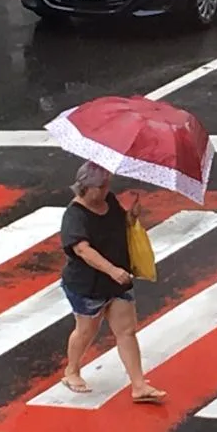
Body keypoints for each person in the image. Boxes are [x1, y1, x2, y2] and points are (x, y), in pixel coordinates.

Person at [58, 161, 166, 403]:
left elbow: (119, 226)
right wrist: (112, 270)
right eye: (102, 186)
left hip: (117, 280)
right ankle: (71, 371)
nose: (107, 190)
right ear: (86, 187)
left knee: (126, 331)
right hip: (88, 284)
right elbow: (83, 250)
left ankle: (139, 385)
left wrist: (132, 216)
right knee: (86, 330)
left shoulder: (110, 202)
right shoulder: (74, 216)